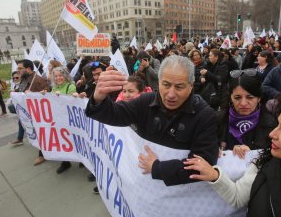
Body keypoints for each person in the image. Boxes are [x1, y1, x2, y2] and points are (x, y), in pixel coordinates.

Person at [85, 55, 219, 186]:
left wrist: (158, 168)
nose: (171, 94)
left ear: (191, 86)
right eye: (166, 85)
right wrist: (98, 98)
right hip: (143, 191)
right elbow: (114, 114)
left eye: (179, 87)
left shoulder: (205, 116)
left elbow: (203, 164)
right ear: (159, 81)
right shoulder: (146, 102)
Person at [219, 72, 276, 158]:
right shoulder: (218, 120)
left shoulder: (271, 125)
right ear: (230, 97)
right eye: (237, 98)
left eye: (250, 97)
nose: (243, 103)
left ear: (259, 98)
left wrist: (252, 154)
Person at [9, 59, 49, 166]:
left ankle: (42, 154)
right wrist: (16, 93)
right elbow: (22, 90)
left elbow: (45, 96)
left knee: (40, 131)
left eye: (20, 69)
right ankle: (19, 138)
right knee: (22, 122)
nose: (18, 71)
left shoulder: (38, 80)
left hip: (37, 113)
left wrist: (34, 95)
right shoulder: (24, 79)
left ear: (28, 69)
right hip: (27, 111)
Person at [42, 67, 76, 174]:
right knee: (62, 140)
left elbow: (72, 103)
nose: (58, 78)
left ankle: (82, 159)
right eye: (56, 76)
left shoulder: (71, 86)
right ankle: (65, 161)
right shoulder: (54, 87)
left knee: (74, 140)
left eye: (60, 75)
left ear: (65, 76)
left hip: (69, 119)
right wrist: (44, 95)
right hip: (58, 119)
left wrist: (60, 97)